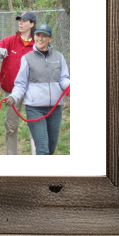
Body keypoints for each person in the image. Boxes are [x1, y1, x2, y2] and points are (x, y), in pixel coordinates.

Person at [5, 23, 70, 155]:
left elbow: (63, 78)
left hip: (55, 109)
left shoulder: (59, 57)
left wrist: (69, 85)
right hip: (35, 109)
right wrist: (13, 97)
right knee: (42, 149)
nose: (40, 39)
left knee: (51, 149)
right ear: (34, 36)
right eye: (38, 35)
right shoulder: (27, 59)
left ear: (50, 39)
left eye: (44, 36)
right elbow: (21, 84)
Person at [0, 11, 37, 155]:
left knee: (36, 126)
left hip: (34, 92)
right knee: (11, 126)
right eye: (20, 20)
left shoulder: (38, 43)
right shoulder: (11, 41)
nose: (21, 23)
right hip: (12, 91)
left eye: (24, 21)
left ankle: (39, 157)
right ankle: (11, 158)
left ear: (32, 24)